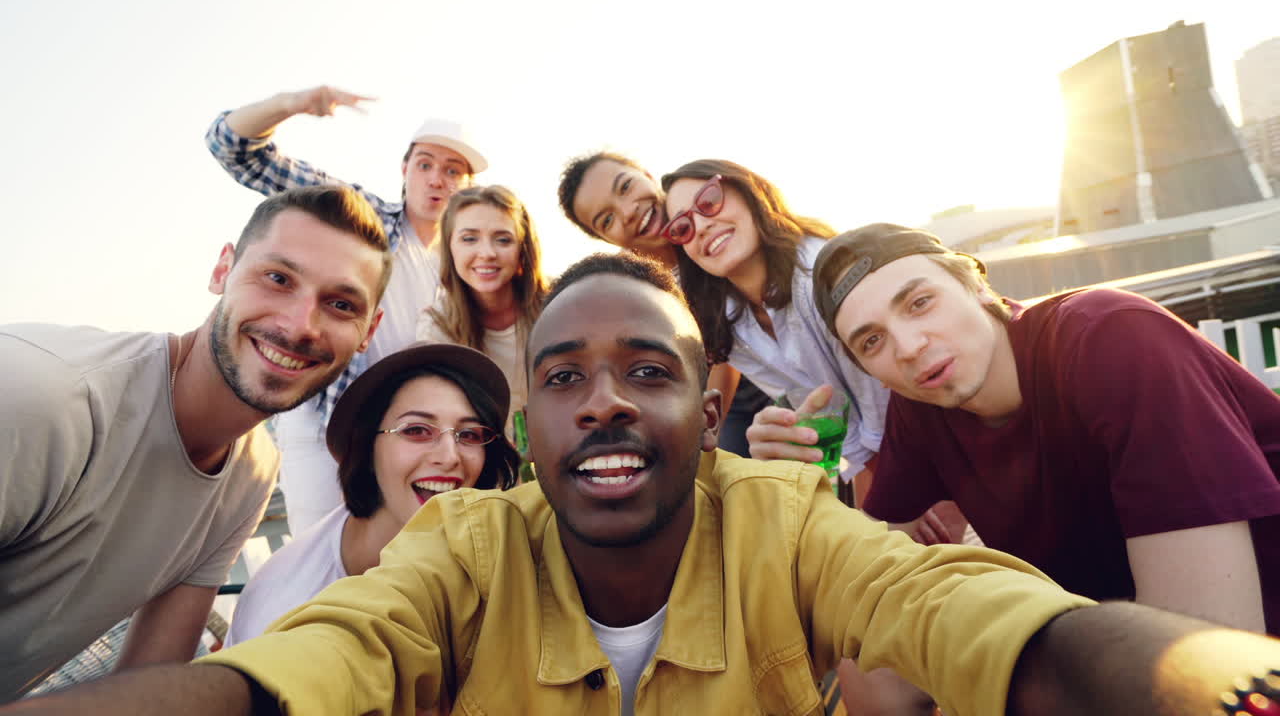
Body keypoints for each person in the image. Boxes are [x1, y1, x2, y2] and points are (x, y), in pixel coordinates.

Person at [11, 252, 1280, 716]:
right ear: (532, 425)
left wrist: (1225, 688)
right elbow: (286, 677)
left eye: (644, 372)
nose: (603, 400)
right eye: (560, 377)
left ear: (712, 405)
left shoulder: (787, 526)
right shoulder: (460, 553)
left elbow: (997, 627)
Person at [0, 184, 391, 701]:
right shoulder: (41, 399)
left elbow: (145, 688)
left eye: (340, 304)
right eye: (278, 279)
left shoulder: (251, 472)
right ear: (222, 271)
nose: (300, 325)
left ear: (369, 331)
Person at [804, 222, 1280, 636]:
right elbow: (867, 578)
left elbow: (1204, 648)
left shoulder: (1111, 338)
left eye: (920, 302)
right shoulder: (922, 403)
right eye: (872, 341)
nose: (907, 346)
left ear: (976, 286)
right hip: (1111, 648)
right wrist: (798, 484)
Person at [207, 85, 487, 533]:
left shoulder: (471, 263)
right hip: (330, 424)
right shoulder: (365, 221)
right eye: (426, 165)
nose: (437, 179)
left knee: (406, 561)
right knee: (319, 551)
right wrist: (294, 104)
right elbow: (235, 149)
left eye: (453, 171)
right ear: (405, 170)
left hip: (415, 437)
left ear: (470, 187)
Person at [225, 341, 518, 647]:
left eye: (469, 435)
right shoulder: (287, 608)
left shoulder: (507, 563)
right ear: (367, 446)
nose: (449, 457)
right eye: (416, 430)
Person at [661, 159, 889, 496]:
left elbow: (880, 412)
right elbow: (828, 412)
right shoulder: (729, 321)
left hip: (930, 433)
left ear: (750, 191)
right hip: (875, 461)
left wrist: (896, 498)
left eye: (708, 201)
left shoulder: (821, 274)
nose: (702, 225)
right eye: (683, 227)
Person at [558, 151, 772, 458]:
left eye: (625, 187)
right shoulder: (634, 287)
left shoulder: (707, 223)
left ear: (646, 174)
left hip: (768, 369)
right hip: (716, 393)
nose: (627, 211)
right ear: (604, 238)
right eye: (607, 219)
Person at [416, 185, 547, 438]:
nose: (487, 253)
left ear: (522, 249)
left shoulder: (556, 305)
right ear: (450, 247)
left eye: (503, 239)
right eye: (469, 239)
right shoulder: (437, 325)